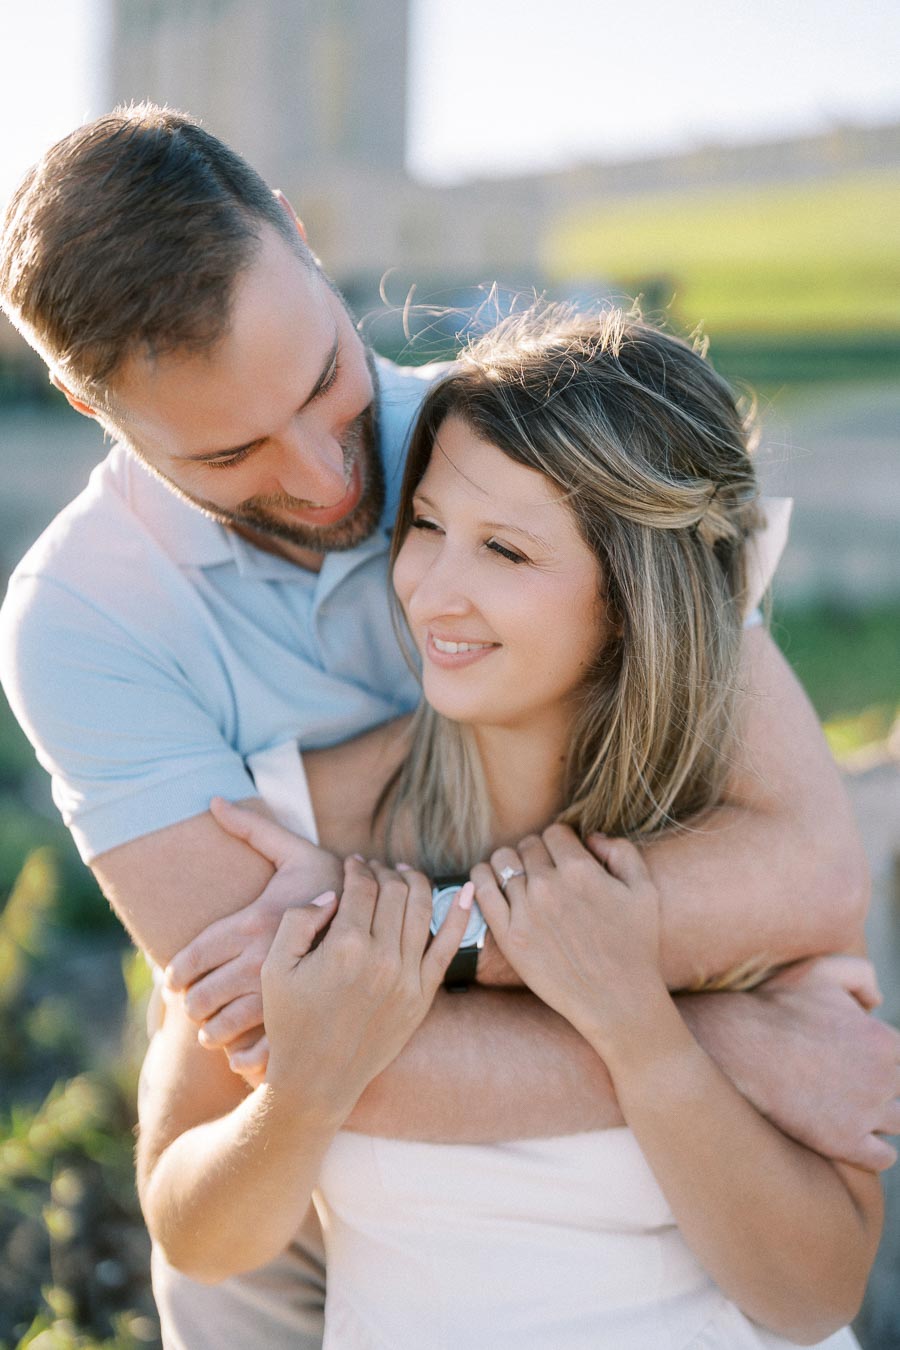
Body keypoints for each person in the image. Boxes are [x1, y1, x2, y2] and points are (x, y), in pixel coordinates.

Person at [0, 105, 895, 1347]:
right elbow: (288, 1043)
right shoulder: (81, 622)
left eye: (325, 381)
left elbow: (804, 869)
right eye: (231, 454)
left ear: (307, 245)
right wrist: (710, 1036)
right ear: (90, 408)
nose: (329, 479)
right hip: (305, 1203)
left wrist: (409, 933)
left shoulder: (517, 441)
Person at [137, 308, 882, 1348]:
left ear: (633, 596)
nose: (435, 591)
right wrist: (303, 1097)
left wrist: (643, 1030)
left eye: (507, 552)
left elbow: (812, 1296)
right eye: (429, 528)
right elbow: (197, 1241)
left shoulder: (735, 851)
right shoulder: (291, 827)